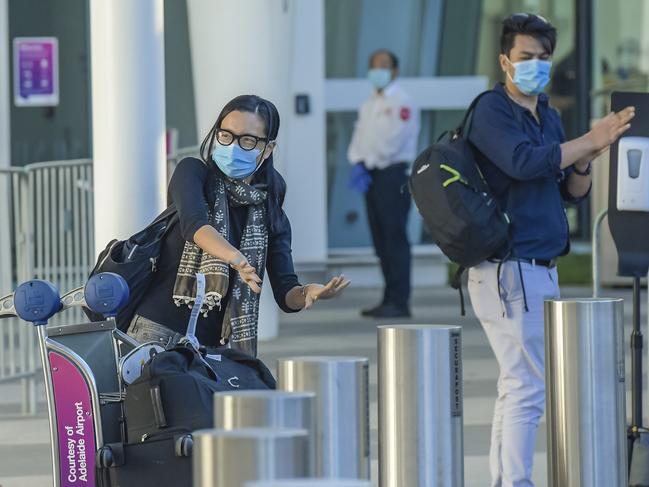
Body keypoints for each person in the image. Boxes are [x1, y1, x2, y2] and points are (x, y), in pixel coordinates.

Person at [467, 13, 635, 487]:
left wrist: (584, 158)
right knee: (530, 386)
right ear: (505, 61)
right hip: (508, 265)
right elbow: (523, 163)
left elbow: (569, 190)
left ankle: (506, 480)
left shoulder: (549, 114)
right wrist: (588, 139)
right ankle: (514, 482)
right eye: (526, 58)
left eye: (543, 58)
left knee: (518, 384)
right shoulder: (492, 111)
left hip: (538, 265)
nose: (536, 67)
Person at [128, 95, 350, 357]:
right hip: (156, 331)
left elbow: (286, 291)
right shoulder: (192, 173)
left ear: (267, 149)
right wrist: (236, 258)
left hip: (211, 348)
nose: (233, 146)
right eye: (226, 135)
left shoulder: (269, 209)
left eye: (247, 140)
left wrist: (309, 292)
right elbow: (196, 226)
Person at [347, 49, 420, 318]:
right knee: (380, 240)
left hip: (392, 174)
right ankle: (389, 297)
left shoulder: (402, 102)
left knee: (394, 239)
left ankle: (400, 301)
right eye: (373, 66)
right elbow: (359, 138)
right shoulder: (369, 103)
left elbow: (391, 143)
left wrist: (367, 158)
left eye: (384, 66)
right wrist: (357, 160)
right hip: (371, 175)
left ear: (395, 71)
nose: (378, 71)